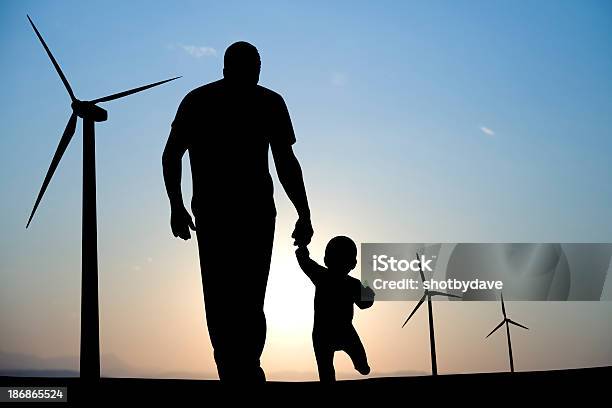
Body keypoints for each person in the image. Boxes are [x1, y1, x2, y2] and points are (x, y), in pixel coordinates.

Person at [162, 41, 313, 382]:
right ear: (230, 67)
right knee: (225, 299)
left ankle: (242, 369)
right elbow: (172, 154)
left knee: (242, 298)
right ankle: (236, 371)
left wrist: (304, 212)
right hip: (219, 214)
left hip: (253, 213)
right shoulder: (202, 101)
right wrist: (176, 205)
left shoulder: (266, 102)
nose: (253, 75)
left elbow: (286, 162)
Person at [295, 236, 375, 382]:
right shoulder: (351, 283)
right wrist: (368, 292)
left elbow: (305, 262)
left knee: (327, 371)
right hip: (341, 331)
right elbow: (365, 304)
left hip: (325, 332)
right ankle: (361, 365)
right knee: (356, 363)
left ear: (326, 260)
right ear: (353, 263)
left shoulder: (322, 276)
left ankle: (360, 365)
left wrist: (301, 247)